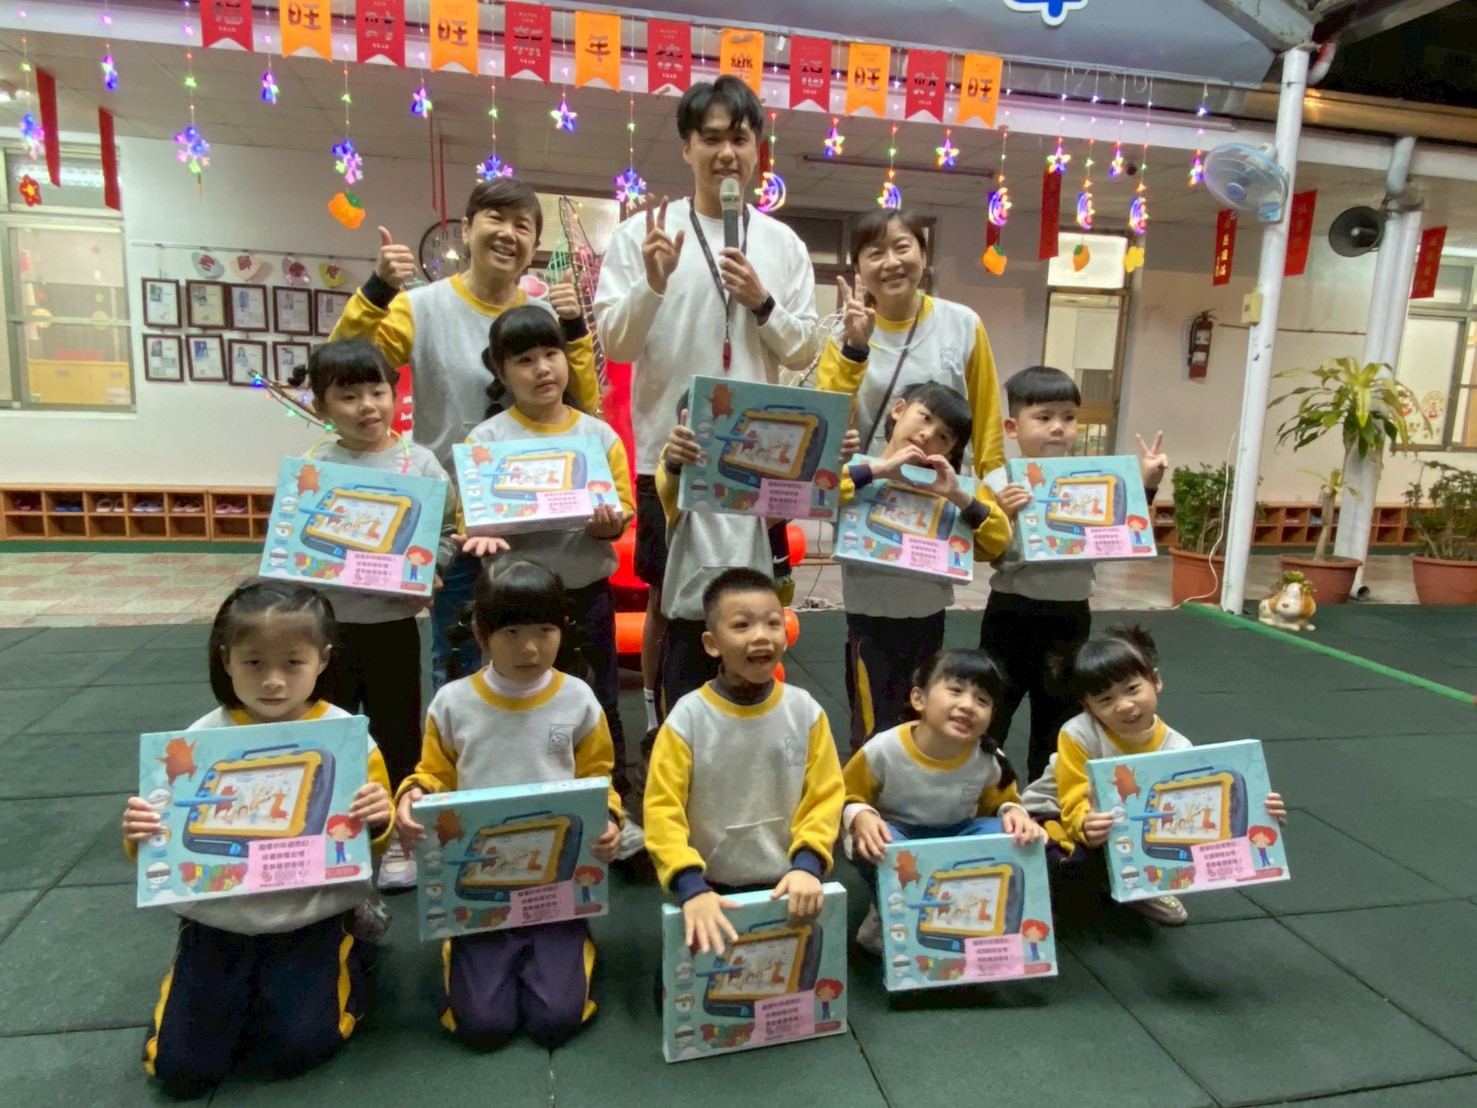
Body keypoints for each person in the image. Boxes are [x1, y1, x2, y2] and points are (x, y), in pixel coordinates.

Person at [594, 76, 822, 734]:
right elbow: (616, 341)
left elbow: (805, 346)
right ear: (687, 147)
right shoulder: (643, 234)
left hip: (760, 455)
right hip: (672, 452)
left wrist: (762, 302)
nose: (727, 152)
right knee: (668, 601)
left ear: (757, 150)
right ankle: (664, 728)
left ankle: (744, 729)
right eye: (712, 138)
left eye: (740, 139)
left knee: (752, 603)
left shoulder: (782, 244)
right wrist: (652, 285)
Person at [121, 582, 394, 1099]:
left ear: (322, 660)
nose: (272, 680)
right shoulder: (197, 741)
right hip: (218, 922)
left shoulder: (347, 738)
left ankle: (354, 946)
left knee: (298, 1047)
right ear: (226, 660)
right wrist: (140, 832)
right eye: (253, 663)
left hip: (309, 915)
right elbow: (164, 843)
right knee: (179, 1068)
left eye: (292, 663)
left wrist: (379, 822)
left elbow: (368, 844)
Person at [330, 176, 601, 689]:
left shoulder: (544, 315)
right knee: (454, 656)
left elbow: (585, 404)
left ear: (534, 247)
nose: (508, 234)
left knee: (536, 663)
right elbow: (343, 369)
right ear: (468, 228)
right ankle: (451, 743)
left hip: (531, 522)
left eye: (523, 226)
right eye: (496, 219)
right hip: (452, 522)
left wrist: (575, 331)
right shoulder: (420, 306)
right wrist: (377, 291)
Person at [394, 562, 622, 1050]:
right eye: (512, 633)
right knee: (484, 1026)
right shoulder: (453, 703)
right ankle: (463, 949)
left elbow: (598, 780)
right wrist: (414, 796)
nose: (530, 648)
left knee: (556, 1019)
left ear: (563, 630)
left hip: (556, 887)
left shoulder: (578, 699)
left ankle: (574, 940)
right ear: (482, 633)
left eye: (544, 631)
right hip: (479, 891)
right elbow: (433, 774)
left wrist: (609, 819)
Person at [458, 306, 640, 851]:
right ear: (501, 370)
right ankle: (517, 807)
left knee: (599, 699)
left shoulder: (598, 435)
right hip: (514, 604)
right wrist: (479, 535)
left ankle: (610, 807)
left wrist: (611, 525)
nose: (542, 369)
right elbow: (470, 519)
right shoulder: (487, 439)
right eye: (525, 360)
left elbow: (623, 506)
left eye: (552, 354)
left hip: (585, 596)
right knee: (516, 701)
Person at [289, 339, 454, 890]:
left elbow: (447, 533)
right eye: (348, 396)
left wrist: (430, 570)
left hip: (393, 627)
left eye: (378, 391)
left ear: (394, 393)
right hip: (326, 631)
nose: (367, 406)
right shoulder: (312, 468)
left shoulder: (420, 463)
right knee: (332, 736)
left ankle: (400, 840)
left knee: (398, 735)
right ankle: (333, 838)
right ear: (321, 406)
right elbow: (293, 544)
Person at [1018, 626, 1287, 925]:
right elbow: (1071, 796)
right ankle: (1059, 887)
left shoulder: (1177, 747)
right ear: (1088, 707)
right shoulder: (1078, 734)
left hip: (1125, 826)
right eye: (1105, 699)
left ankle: (1136, 886)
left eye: (1132, 689)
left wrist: (1261, 814)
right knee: (1064, 861)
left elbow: (1198, 807)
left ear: (1155, 681)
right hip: (1055, 812)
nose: (1124, 705)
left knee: (1145, 846)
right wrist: (1084, 823)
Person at [979, 366, 1169, 782]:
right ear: (1012, 427)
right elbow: (985, 552)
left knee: (1059, 717)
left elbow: (1122, 531)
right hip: (1011, 613)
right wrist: (1003, 515)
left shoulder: (1092, 478)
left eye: (1068, 417)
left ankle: (1049, 796)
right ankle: (984, 791)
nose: (1057, 427)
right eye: (1043, 417)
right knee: (993, 709)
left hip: (1069, 616)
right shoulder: (998, 481)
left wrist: (1146, 484)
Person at [643, 568, 845, 955]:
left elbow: (824, 796)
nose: (761, 636)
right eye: (741, 625)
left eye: (773, 622)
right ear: (712, 643)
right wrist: (690, 885)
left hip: (789, 882)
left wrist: (808, 865)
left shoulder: (805, 712)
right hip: (709, 886)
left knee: (797, 979)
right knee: (696, 982)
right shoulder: (688, 719)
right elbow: (662, 810)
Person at [836, 382, 1011, 752]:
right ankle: (866, 788)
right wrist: (880, 470)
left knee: (922, 720)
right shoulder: (859, 470)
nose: (928, 435)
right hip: (870, 624)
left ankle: (916, 782)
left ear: (951, 449)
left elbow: (997, 541)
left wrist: (959, 496)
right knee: (873, 728)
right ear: (899, 410)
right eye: (924, 418)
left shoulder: (952, 488)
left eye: (943, 436)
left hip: (928, 623)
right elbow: (821, 491)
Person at [842, 648, 1045, 954]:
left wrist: (1014, 813)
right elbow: (845, 796)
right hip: (899, 835)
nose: (968, 705)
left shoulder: (987, 758)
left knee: (1011, 837)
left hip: (955, 835)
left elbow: (1002, 800)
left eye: (982, 700)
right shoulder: (884, 750)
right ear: (919, 699)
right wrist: (862, 816)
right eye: (955, 690)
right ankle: (886, 911)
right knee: (884, 844)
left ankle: (972, 920)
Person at [819, 207, 1005, 473]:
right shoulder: (842, 336)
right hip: (867, 486)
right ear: (858, 268)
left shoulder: (963, 324)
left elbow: (987, 422)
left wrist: (992, 488)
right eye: (876, 253)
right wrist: (855, 351)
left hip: (940, 488)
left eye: (902, 247)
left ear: (923, 254)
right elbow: (828, 421)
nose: (891, 262)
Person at [652, 406, 775, 723]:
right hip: (691, 626)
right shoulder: (683, 485)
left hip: (751, 627)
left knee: (751, 722)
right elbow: (668, 479)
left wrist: (835, 456)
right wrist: (675, 459)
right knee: (682, 724)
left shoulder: (758, 487)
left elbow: (808, 493)